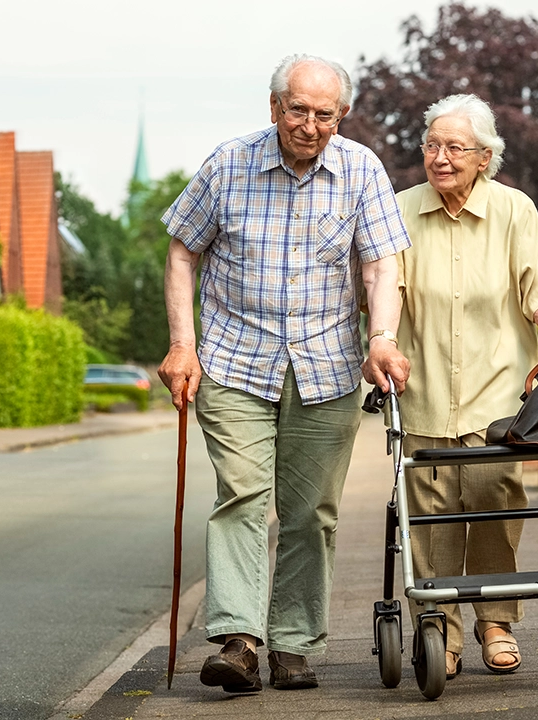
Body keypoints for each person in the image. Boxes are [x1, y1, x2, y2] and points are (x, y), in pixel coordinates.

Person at [157, 54, 411, 694]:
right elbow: (183, 251)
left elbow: (382, 267)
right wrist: (182, 344)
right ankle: (240, 640)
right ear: (274, 107)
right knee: (242, 494)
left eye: (325, 114)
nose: (310, 124)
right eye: (297, 110)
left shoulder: (361, 171)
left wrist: (380, 339)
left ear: (342, 116)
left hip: (326, 370)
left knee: (310, 514)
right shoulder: (228, 165)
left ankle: (294, 644)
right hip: (236, 360)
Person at [393, 94, 538, 680]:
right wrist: (380, 341)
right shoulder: (399, 211)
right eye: (432, 146)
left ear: (484, 157)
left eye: (454, 148)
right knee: (432, 514)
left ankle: (496, 620)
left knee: (495, 500)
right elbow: (385, 293)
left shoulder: (514, 210)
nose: (440, 158)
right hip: (423, 394)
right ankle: (439, 627)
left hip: (496, 401)